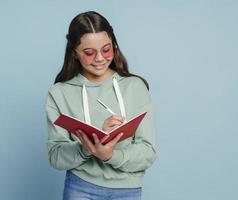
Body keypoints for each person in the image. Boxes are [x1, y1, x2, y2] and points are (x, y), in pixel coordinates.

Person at [46, 11, 156, 200]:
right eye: (89, 52)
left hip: (128, 189)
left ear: (114, 45)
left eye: (106, 49)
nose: (99, 58)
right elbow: (56, 156)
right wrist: (88, 146)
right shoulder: (60, 92)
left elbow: (148, 152)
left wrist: (110, 155)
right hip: (80, 187)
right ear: (75, 52)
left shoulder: (135, 87)